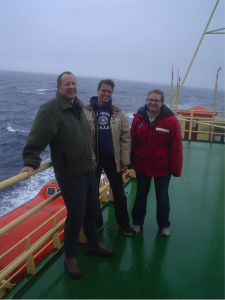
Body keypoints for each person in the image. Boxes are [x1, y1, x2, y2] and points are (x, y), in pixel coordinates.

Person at [19, 72, 115, 279]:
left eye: (74, 83)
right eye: (67, 84)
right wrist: (30, 162)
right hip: (70, 174)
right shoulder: (50, 109)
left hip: (88, 168)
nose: (71, 87)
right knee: (76, 216)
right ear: (58, 87)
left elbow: (83, 136)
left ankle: (92, 245)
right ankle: (69, 256)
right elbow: (37, 137)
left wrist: (91, 158)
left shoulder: (78, 106)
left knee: (92, 209)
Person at [130, 89, 183, 236]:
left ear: (162, 103)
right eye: (150, 100)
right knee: (141, 194)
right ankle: (137, 223)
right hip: (142, 164)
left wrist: (176, 169)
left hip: (162, 167)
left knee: (162, 197)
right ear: (147, 100)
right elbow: (132, 141)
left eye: (156, 100)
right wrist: (129, 162)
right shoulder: (138, 118)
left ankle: (164, 225)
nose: (153, 103)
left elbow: (176, 145)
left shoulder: (170, 120)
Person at [84, 79, 133, 235]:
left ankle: (124, 224)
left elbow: (125, 137)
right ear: (98, 90)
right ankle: (97, 224)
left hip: (113, 159)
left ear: (112, 93)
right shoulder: (84, 112)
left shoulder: (118, 113)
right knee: (92, 195)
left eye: (109, 91)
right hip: (93, 160)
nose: (106, 94)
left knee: (119, 192)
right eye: (103, 90)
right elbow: (81, 137)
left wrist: (125, 161)